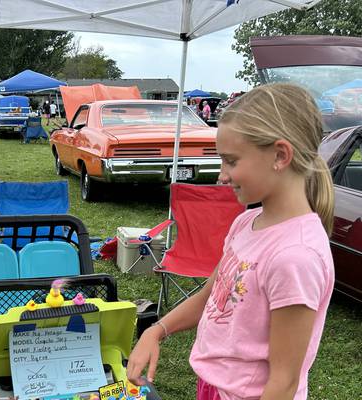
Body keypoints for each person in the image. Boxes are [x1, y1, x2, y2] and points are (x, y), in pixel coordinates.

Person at [127, 83, 335, 400]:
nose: (222, 175)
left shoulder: (296, 257)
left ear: (280, 155)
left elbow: (284, 383)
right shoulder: (246, 222)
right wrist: (157, 330)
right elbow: (212, 294)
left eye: (231, 161)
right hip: (215, 387)